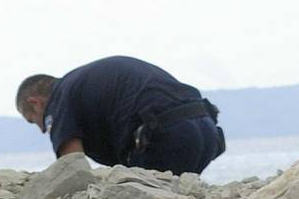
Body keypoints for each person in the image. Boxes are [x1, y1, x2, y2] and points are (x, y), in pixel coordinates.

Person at [15, 56, 224, 175]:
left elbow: (73, 166)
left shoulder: (59, 99)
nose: (43, 130)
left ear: (36, 102)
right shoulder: (81, 84)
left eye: (34, 121)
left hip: (165, 136)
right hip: (205, 129)